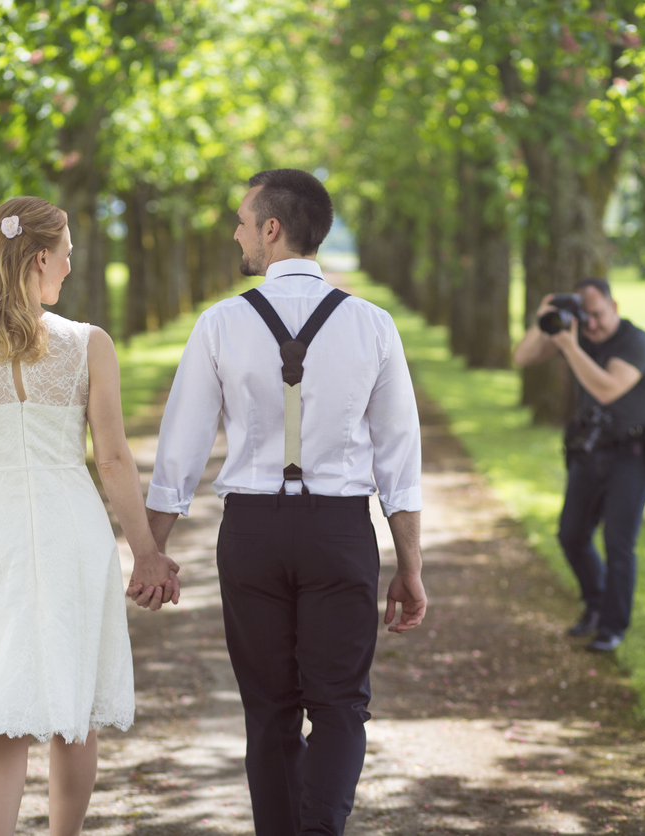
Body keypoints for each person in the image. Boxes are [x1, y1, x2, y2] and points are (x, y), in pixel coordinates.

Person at [132, 169, 428, 836]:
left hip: (252, 534)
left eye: (242, 221)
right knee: (341, 706)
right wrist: (409, 564)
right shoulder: (373, 326)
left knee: (268, 709)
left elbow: (179, 454)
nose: (236, 233)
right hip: (339, 532)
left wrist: (153, 551)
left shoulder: (221, 324)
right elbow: (398, 461)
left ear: (272, 229)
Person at [0, 196, 179, 836]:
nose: (68, 265)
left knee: (2, 712)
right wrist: (146, 551)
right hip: (72, 528)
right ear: (39, 258)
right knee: (73, 702)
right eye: (65, 254)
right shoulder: (89, 344)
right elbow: (112, 459)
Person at [512, 278, 645, 653]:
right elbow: (523, 357)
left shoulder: (635, 342)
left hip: (635, 454)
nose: (591, 324)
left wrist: (568, 345)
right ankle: (596, 605)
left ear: (615, 306)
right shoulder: (576, 334)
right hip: (591, 450)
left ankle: (612, 627)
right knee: (571, 534)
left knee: (618, 543)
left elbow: (608, 387)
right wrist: (544, 320)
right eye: (585, 315)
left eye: (598, 314)